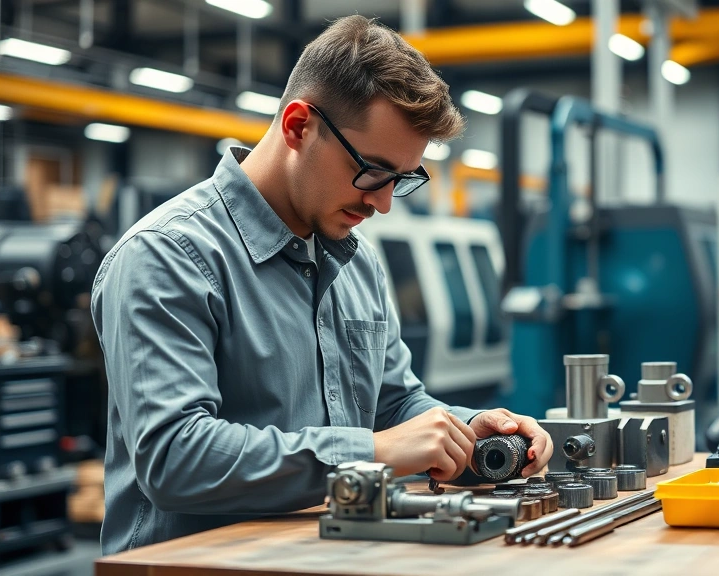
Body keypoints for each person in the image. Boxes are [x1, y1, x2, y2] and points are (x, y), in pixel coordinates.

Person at [91, 15, 552, 554]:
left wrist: (466, 432)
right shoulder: (168, 256)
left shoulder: (358, 262)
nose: (381, 203)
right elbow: (175, 458)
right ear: (297, 126)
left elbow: (392, 405)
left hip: (326, 557)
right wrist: (371, 453)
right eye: (372, 171)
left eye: (401, 181)